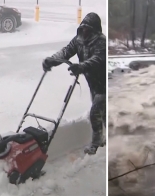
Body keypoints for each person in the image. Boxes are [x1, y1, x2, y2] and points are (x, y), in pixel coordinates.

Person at [42, 12, 106, 155]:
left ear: (95, 29)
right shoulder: (78, 40)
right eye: (83, 28)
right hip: (93, 83)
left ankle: (97, 144)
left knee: (95, 113)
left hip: (104, 83)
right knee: (103, 113)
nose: (84, 31)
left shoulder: (102, 42)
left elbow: (98, 60)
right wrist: (52, 60)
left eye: (88, 29)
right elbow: (66, 51)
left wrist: (81, 66)